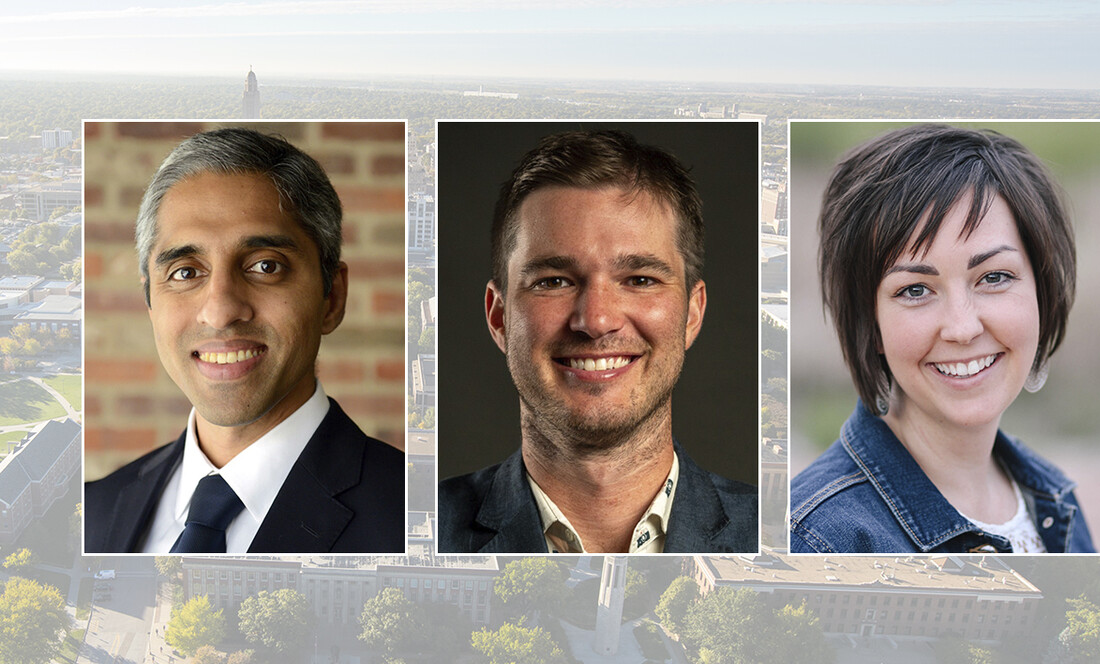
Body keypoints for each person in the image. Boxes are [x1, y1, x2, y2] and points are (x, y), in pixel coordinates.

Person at [85, 127, 405, 554]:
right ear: (150, 302)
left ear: (332, 297)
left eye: (266, 266)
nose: (220, 311)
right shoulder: (94, 509)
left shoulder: (412, 515)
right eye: (185, 272)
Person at [438, 129, 757, 554]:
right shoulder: (420, 526)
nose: (597, 319)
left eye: (640, 280)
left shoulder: (776, 531)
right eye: (553, 281)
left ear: (692, 314)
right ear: (499, 317)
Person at [789, 124, 1094, 554]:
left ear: (1042, 294)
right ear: (870, 324)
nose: (962, 327)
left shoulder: (1058, 499)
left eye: (994, 277)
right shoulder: (818, 538)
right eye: (915, 290)